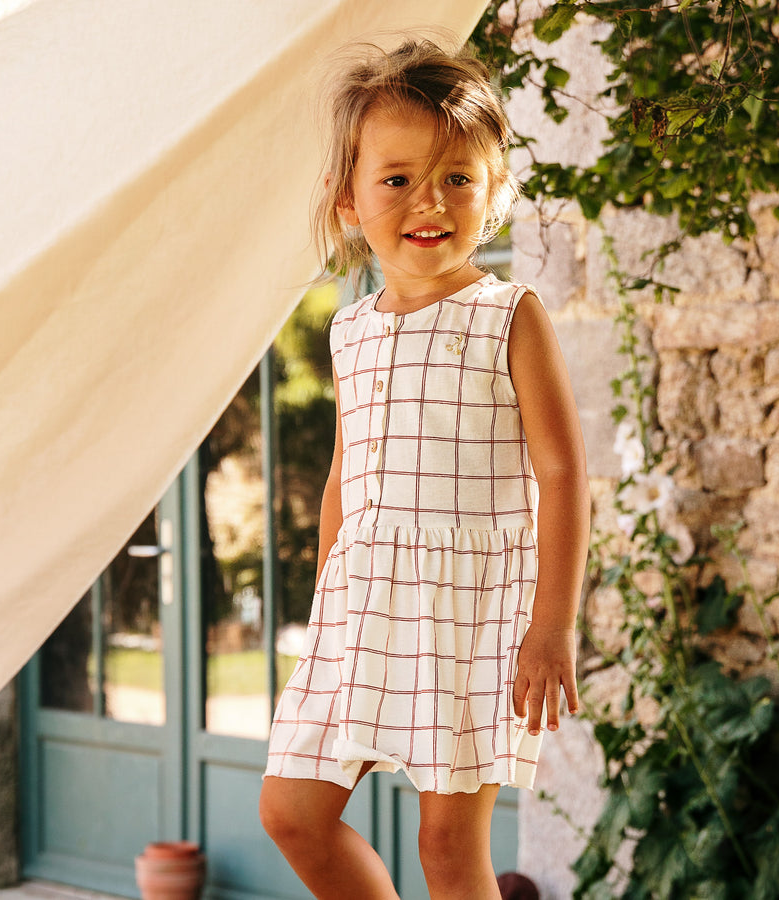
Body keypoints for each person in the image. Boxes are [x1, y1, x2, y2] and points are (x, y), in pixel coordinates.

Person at [259, 38, 591, 900]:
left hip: (474, 610)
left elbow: (562, 474)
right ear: (348, 199)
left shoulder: (509, 315)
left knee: (447, 847)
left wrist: (551, 625)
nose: (429, 200)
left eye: (457, 177)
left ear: (495, 192)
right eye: (398, 178)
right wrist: (327, 607)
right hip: (361, 602)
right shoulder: (350, 330)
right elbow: (345, 476)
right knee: (292, 811)